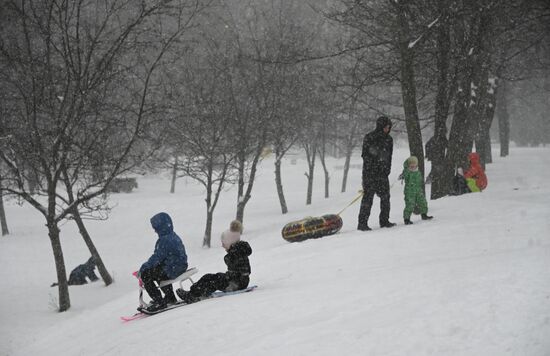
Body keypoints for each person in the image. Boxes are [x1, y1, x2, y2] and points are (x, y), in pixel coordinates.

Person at [176, 221, 251, 304]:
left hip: (236, 284)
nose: (222, 246)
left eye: (224, 243)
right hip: (237, 281)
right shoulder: (239, 251)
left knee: (213, 282)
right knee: (208, 277)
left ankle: (193, 295)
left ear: (230, 243)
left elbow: (240, 271)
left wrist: (227, 276)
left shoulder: (236, 254)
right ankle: (193, 292)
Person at [138, 212, 188, 313]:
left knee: (147, 275)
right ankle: (170, 297)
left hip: (174, 267)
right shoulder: (171, 235)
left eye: (156, 227)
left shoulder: (165, 240)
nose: (155, 230)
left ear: (161, 227)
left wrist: (143, 268)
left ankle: (159, 301)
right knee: (158, 272)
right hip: (177, 265)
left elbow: (157, 257)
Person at [357, 115, 396, 231]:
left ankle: (384, 221)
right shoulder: (369, 137)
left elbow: (389, 156)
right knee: (368, 198)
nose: (387, 129)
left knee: (385, 198)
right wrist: (374, 165)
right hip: (370, 174)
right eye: (386, 127)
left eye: (389, 127)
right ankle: (362, 224)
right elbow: (365, 155)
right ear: (380, 126)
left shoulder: (389, 140)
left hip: (383, 174)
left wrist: (387, 170)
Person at [399, 156, 433, 225]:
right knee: (410, 205)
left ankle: (424, 214)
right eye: (411, 165)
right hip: (409, 191)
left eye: (414, 164)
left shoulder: (418, 171)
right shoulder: (407, 171)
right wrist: (406, 169)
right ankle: (406, 218)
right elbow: (405, 175)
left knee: (423, 202)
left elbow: (419, 180)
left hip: (418, 190)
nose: (413, 166)